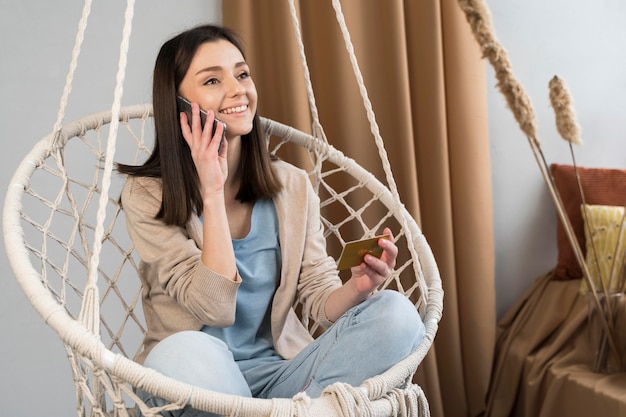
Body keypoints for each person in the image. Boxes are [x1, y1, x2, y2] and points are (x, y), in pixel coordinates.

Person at [118, 24, 425, 416]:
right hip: (194, 382)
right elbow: (215, 310)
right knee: (182, 350)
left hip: (283, 382)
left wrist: (357, 289)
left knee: (396, 314)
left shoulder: (292, 187)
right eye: (213, 79)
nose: (237, 89)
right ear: (177, 104)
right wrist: (211, 192)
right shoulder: (147, 195)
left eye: (242, 74)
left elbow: (317, 293)